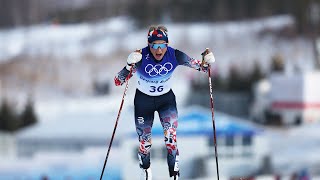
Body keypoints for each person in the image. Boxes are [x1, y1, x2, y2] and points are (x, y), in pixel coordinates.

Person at [114, 25, 215, 180]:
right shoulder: (140, 57)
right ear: (149, 45)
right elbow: (118, 81)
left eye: (162, 45)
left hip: (165, 100)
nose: (159, 50)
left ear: (167, 44)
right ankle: (146, 170)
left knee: (171, 138)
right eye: (154, 45)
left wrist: (207, 60)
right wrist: (128, 65)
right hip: (143, 102)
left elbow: (202, 68)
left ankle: (174, 174)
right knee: (145, 143)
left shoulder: (175, 55)